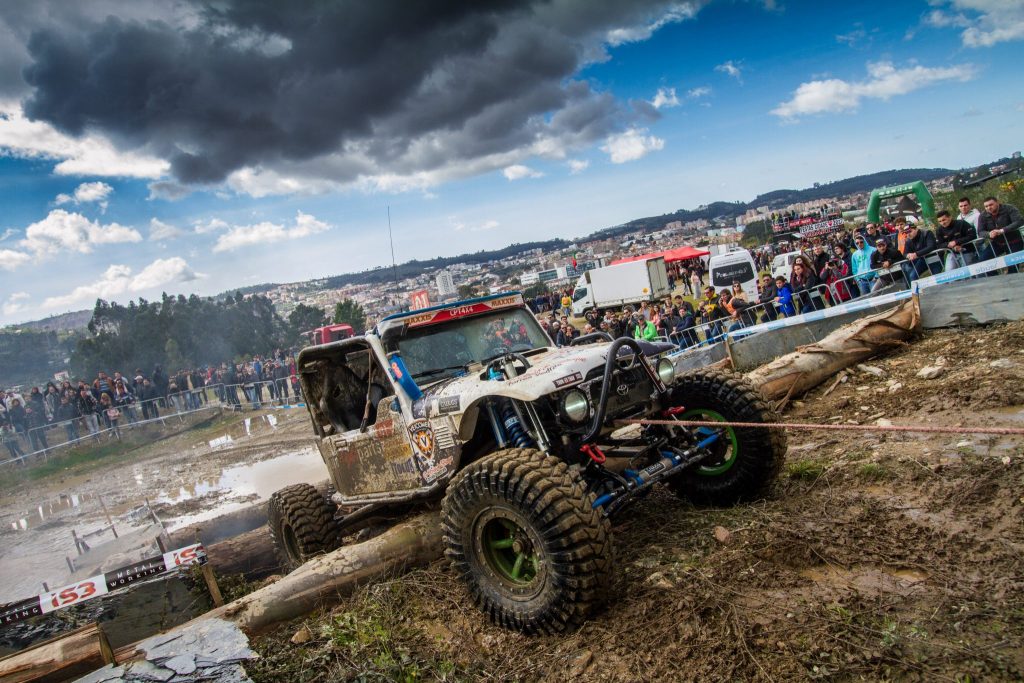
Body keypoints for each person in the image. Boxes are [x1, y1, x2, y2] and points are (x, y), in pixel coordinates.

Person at [979, 196, 1023, 269]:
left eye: (991, 205)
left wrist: (1002, 230)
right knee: (983, 260)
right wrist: (989, 234)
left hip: (1015, 241)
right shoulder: (983, 215)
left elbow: (1019, 221)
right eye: (986, 206)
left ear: (997, 203)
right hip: (998, 243)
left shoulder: (1009, 208)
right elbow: (980, 231)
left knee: (1013, 266)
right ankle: (994, 278)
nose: (989, 208)